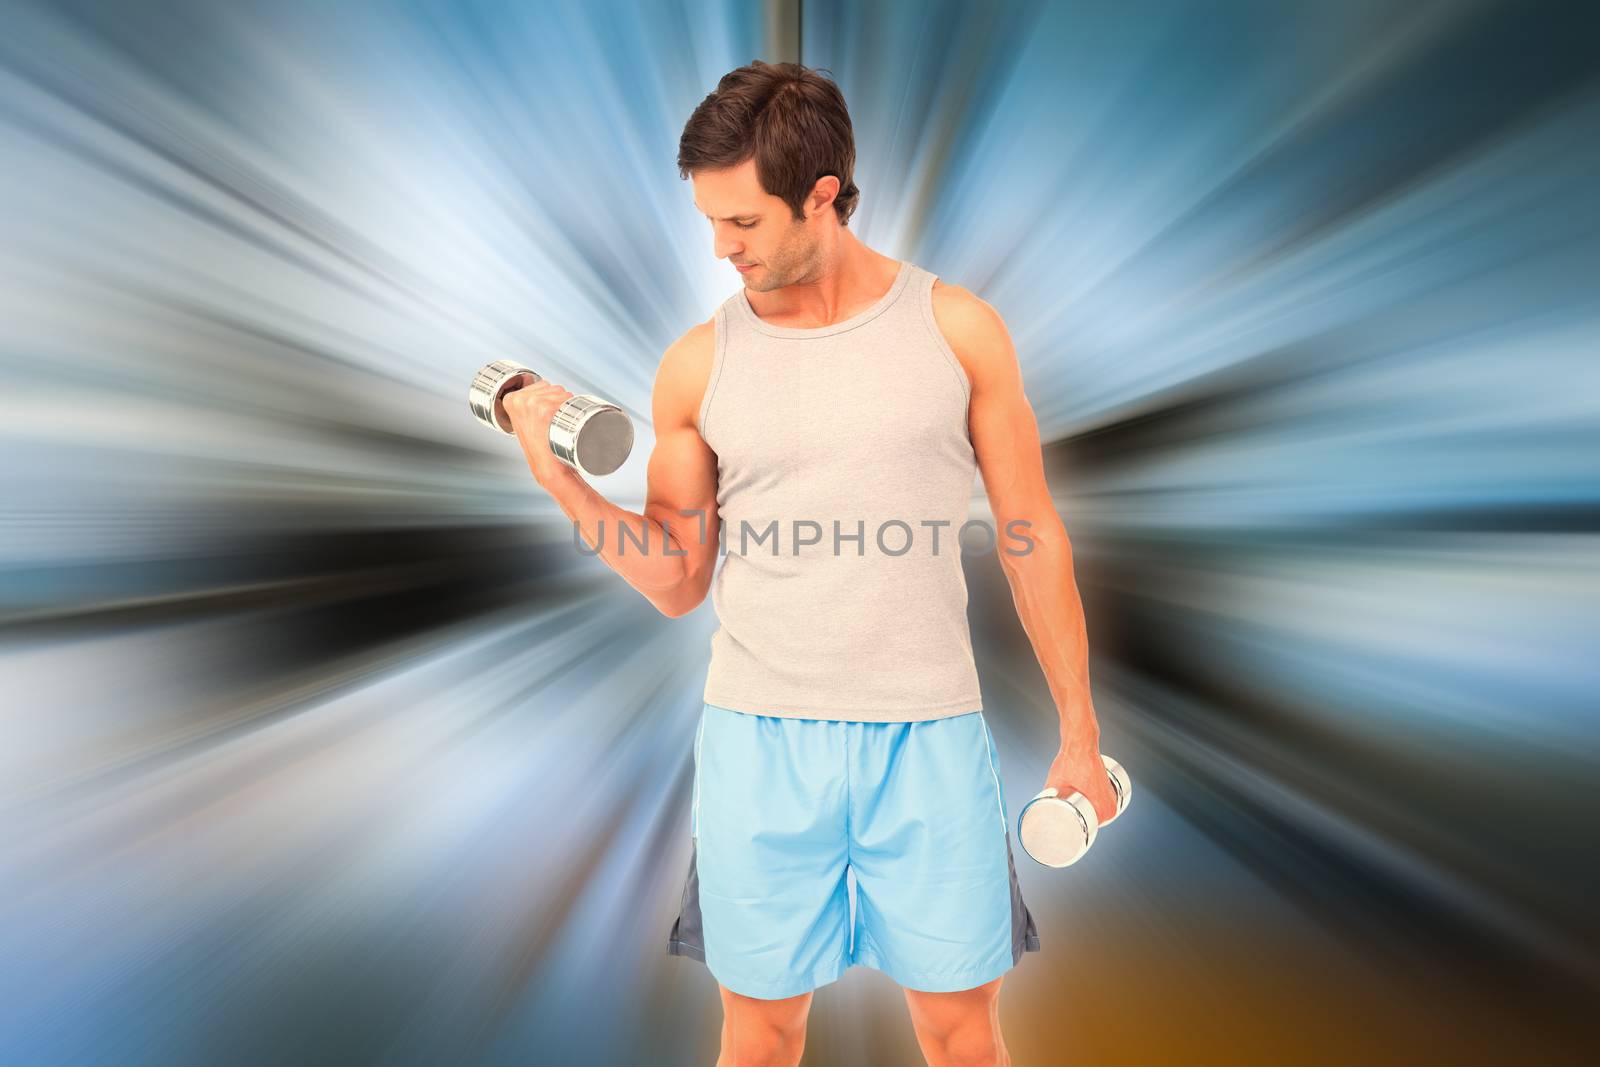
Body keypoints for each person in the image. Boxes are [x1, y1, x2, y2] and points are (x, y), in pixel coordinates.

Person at [505, 60, 1117, 1067]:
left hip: (927, 736)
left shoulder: (956, 330)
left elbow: (1030, 533)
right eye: (708, 221)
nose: (721, 248)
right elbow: (674, 580)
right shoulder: (699, 362)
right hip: (758, 743)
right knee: (760, 1032)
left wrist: (1079, 732)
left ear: (822, 194)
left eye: (743, 222)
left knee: (963, 1034)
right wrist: (561, 482)